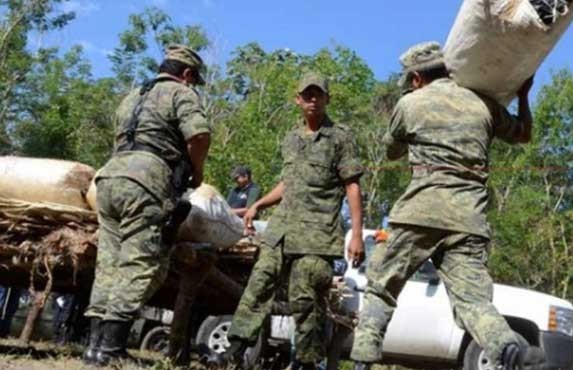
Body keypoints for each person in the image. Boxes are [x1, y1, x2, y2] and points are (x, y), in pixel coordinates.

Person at [350, 42, 541, 370]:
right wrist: (523, 96)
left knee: (382, 287)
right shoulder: (483, 104)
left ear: (415, 79)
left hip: (419, 213)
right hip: (468, 219)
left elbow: (391, 152)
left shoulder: (410, 104)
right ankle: (509, 348)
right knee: (474, 303)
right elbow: (522, 134)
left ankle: (363, 361)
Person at [214, 72, 365, 370]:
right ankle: (234, 350)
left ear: (327, 99)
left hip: (316, 235)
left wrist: (357, 234)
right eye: (306, 94)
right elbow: (288, 183)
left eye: (317, 94)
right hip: (282, 229)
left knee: (305, 298)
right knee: (258, 286)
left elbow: (352, 186)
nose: (311, 99)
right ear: (297, 99)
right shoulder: (291, 138)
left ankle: (307, 363)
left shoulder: (340, 138)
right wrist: (257, 204)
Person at [83, 45, 211, 365]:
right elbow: (199, 135)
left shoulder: (132, 95)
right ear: (187, 74)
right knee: (138, 265)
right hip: (146, 182)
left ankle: (93, 348)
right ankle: (111, 350)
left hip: (109, 179)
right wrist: (197, 172)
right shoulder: (181, 93)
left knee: (109, 265)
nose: (192, 86)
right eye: (193, 81)